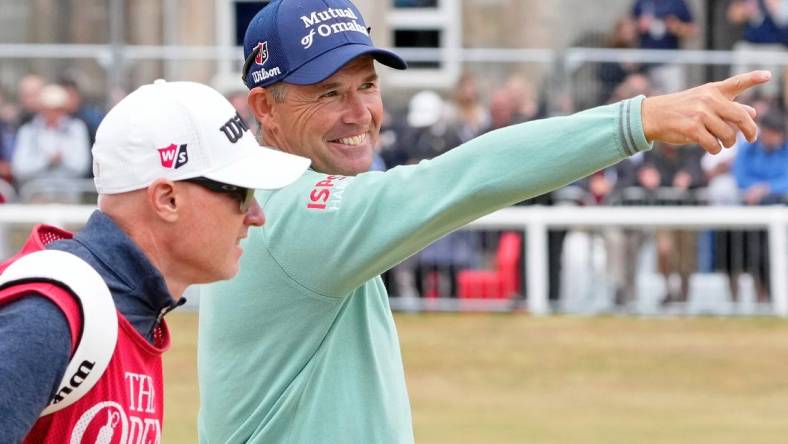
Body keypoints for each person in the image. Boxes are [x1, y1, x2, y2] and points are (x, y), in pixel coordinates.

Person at [197, 0, 769, 442]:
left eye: (367, 85)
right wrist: (638, 119)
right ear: (265, 109)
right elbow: (459, 178)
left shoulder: (281, 195)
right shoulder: (282, 210)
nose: (360, 113)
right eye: (328, 92)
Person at [0, 80, 309, 443]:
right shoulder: (49, 314)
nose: (256, 215)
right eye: (241, 193)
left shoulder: (130, 311)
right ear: (167, 199)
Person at [10, 84, 91, 201]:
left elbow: (81, 166)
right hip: (35, 196)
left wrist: (61, 160)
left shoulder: (76, 129)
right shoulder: (28, 131)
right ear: (41, 108)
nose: (53, 113)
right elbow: (20, 168)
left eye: (57, 109)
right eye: (48, 108)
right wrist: (47, 160)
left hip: (68, 197)